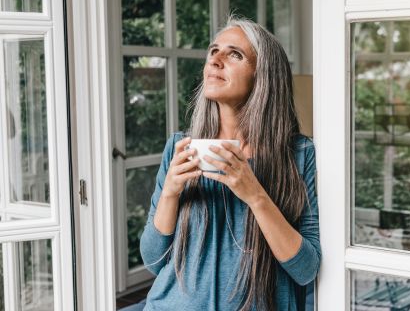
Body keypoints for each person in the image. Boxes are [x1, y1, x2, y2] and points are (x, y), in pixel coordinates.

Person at [132, 17, 320, 311]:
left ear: (263, 75)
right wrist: (170, 192)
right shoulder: (180, 147)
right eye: (213, 51)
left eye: (235, 54)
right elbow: (154, 261)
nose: (215, 60)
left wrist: (256, 195)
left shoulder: (299, 154)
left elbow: (306, 269)